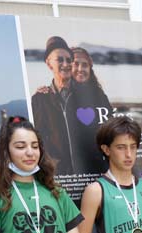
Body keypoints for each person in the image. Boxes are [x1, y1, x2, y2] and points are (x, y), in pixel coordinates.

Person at [31, 36, 82, 174]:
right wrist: (52, 164)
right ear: (49, 64)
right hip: (57, 173)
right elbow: (38, 138)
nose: (65, 64)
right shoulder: (39, 99)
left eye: (69, 60)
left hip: (87, 173)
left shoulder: (85, 95)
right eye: (59, 60)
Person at [72, 46, 113, 174]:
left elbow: (110, 124)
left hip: (98, 160)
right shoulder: (58, 95)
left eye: (85, 65)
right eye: (76, 64)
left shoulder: (99, 95)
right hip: (72, 164)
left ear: (90, 68)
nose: (80, 69)